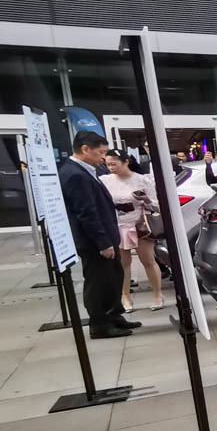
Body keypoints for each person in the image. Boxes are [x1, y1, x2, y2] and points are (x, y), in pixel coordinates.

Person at [58, 132, 139, 339]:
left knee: (113, 277)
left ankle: (115, 317)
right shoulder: (75, 174)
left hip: (106, 236)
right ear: (85, 149)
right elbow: (86, 212)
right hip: (94, 242)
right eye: (101, 152)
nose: (103, 158)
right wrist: (102, 242)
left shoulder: (85, 170)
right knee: (98, 281)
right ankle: (99, 324)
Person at [103, 150, 164, 312]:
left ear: (126, 162)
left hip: (140, 224)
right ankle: (125, 296)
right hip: (118, 224)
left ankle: (158, 294)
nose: (110, 167)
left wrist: (145, 199)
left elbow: (156, 204)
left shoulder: (142, 180)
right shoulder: (104, 180)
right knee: (123, 263)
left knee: (148, 260)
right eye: (108, 164)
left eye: (114, 164)